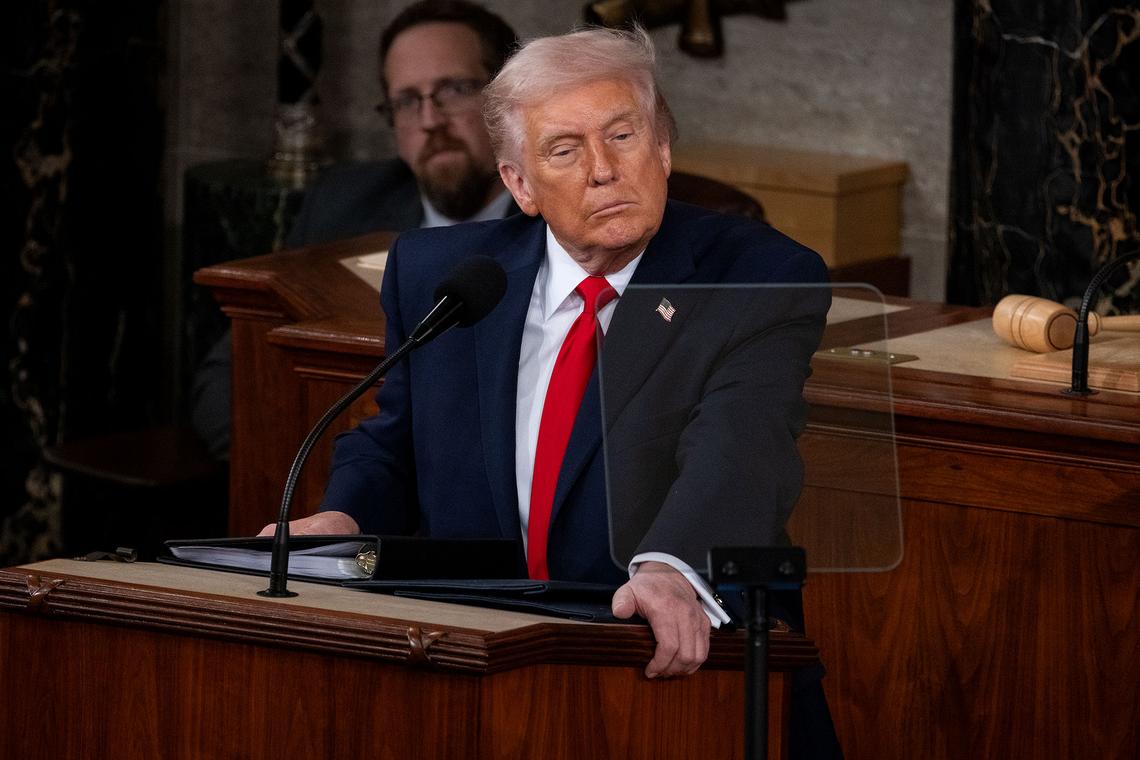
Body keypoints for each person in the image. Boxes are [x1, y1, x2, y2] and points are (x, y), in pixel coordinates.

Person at [263, 24, 842, 757]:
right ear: (520, 184)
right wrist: (341, 520)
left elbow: (742, 440)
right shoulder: (447, 276)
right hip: (481, 670)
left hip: (675, 664)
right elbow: (398, 438)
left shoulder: (755, 275)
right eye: (565, 150)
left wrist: (672, 567)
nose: (604, 170)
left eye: (623, 135)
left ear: (662, 146)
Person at [190, 0, 520, 459]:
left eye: (455, 89)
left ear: (511, 100)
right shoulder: (341, 207)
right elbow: (227, 376)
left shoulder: (563, 224)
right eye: (407, 101)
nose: (429, 121)